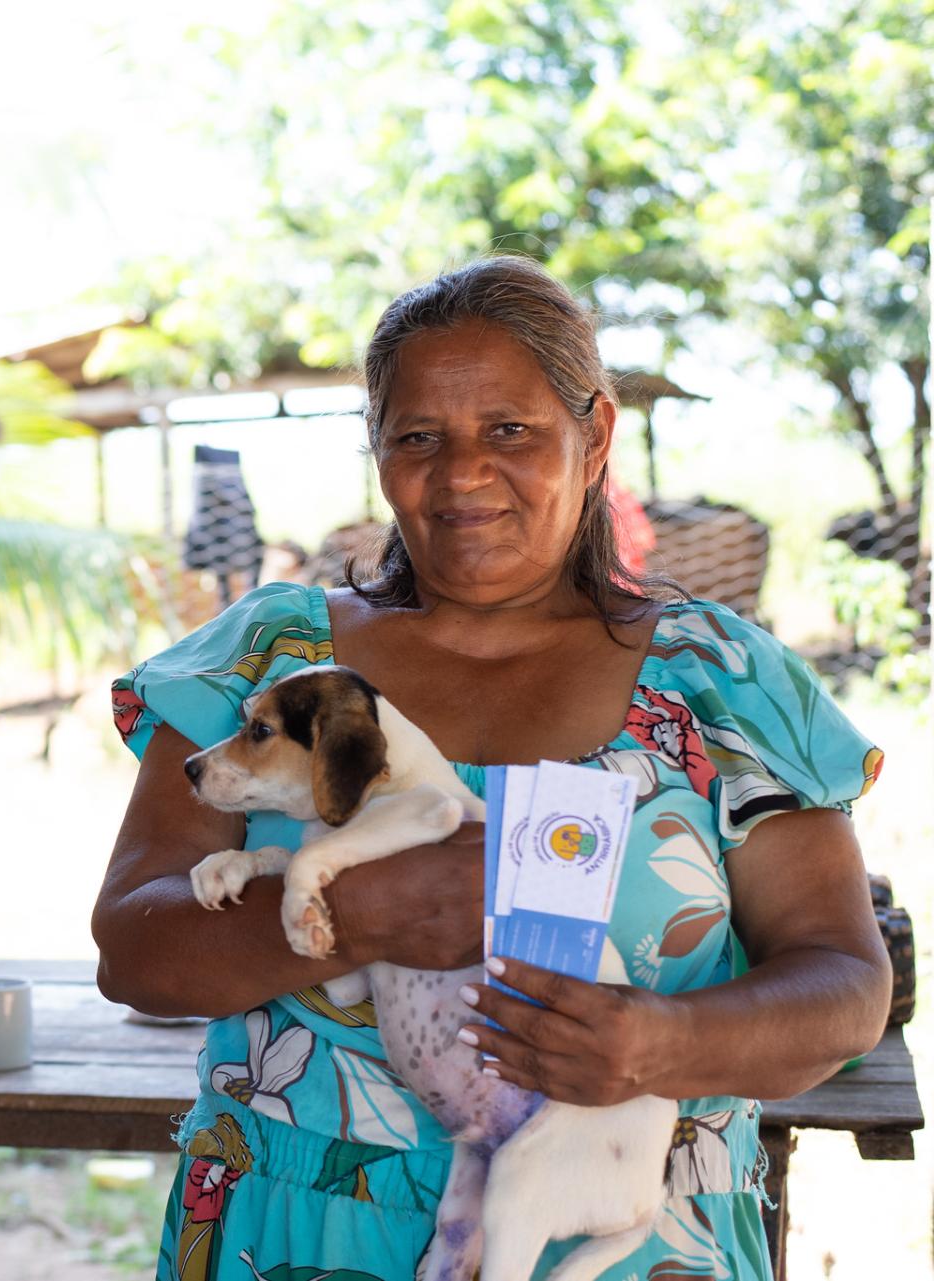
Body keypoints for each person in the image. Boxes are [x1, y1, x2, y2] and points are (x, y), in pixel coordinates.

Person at [93, 255, 891, 1281]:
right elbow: (133, 950)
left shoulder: (721, 682)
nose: (462, 474)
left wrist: (655, 1043)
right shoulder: (272, 662)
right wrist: (369, 909)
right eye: (418, 437)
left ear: (594, 435)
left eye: (509, 431)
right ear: (378, 455)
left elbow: (844, 990)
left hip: (632, 1244)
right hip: (297, 1235)